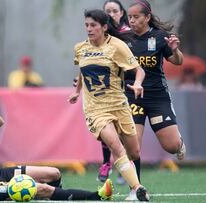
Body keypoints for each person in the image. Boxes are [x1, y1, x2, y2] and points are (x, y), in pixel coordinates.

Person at [68, 9, 149, 201]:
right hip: (95, 110)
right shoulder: (80, 48)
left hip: (119, 105)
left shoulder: (117, 46)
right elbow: (83, 71)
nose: (89, 29)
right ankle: (137, 189)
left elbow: (139, 71)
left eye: (93, 25)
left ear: (104, 27)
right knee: (115, 147)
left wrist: (137, 84)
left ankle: (133, 188)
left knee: (134, 152)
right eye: (86, 25)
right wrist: (77, 91)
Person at [123, 0, 186, 190]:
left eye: (136, 17)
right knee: (132, 148)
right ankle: (136, 189)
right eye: (130, 17)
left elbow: (178, 62)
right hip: (132, 97)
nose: (132, 21)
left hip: (157, 97)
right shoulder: (124, 39)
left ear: (147, 17)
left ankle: (179, 143)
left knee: (171, 146)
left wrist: (175, 50)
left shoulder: (160, 37)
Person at [97, 0, 132, 185]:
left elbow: (135, 63)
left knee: (123, 131)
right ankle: (105, 163)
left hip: (129, 88)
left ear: (121, 13)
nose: (111, 14)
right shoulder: (98, 36)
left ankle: (123, 165)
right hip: (106, 89)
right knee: (105, 126)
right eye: (107, 11)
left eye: (114, 11)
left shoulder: (129, 34)